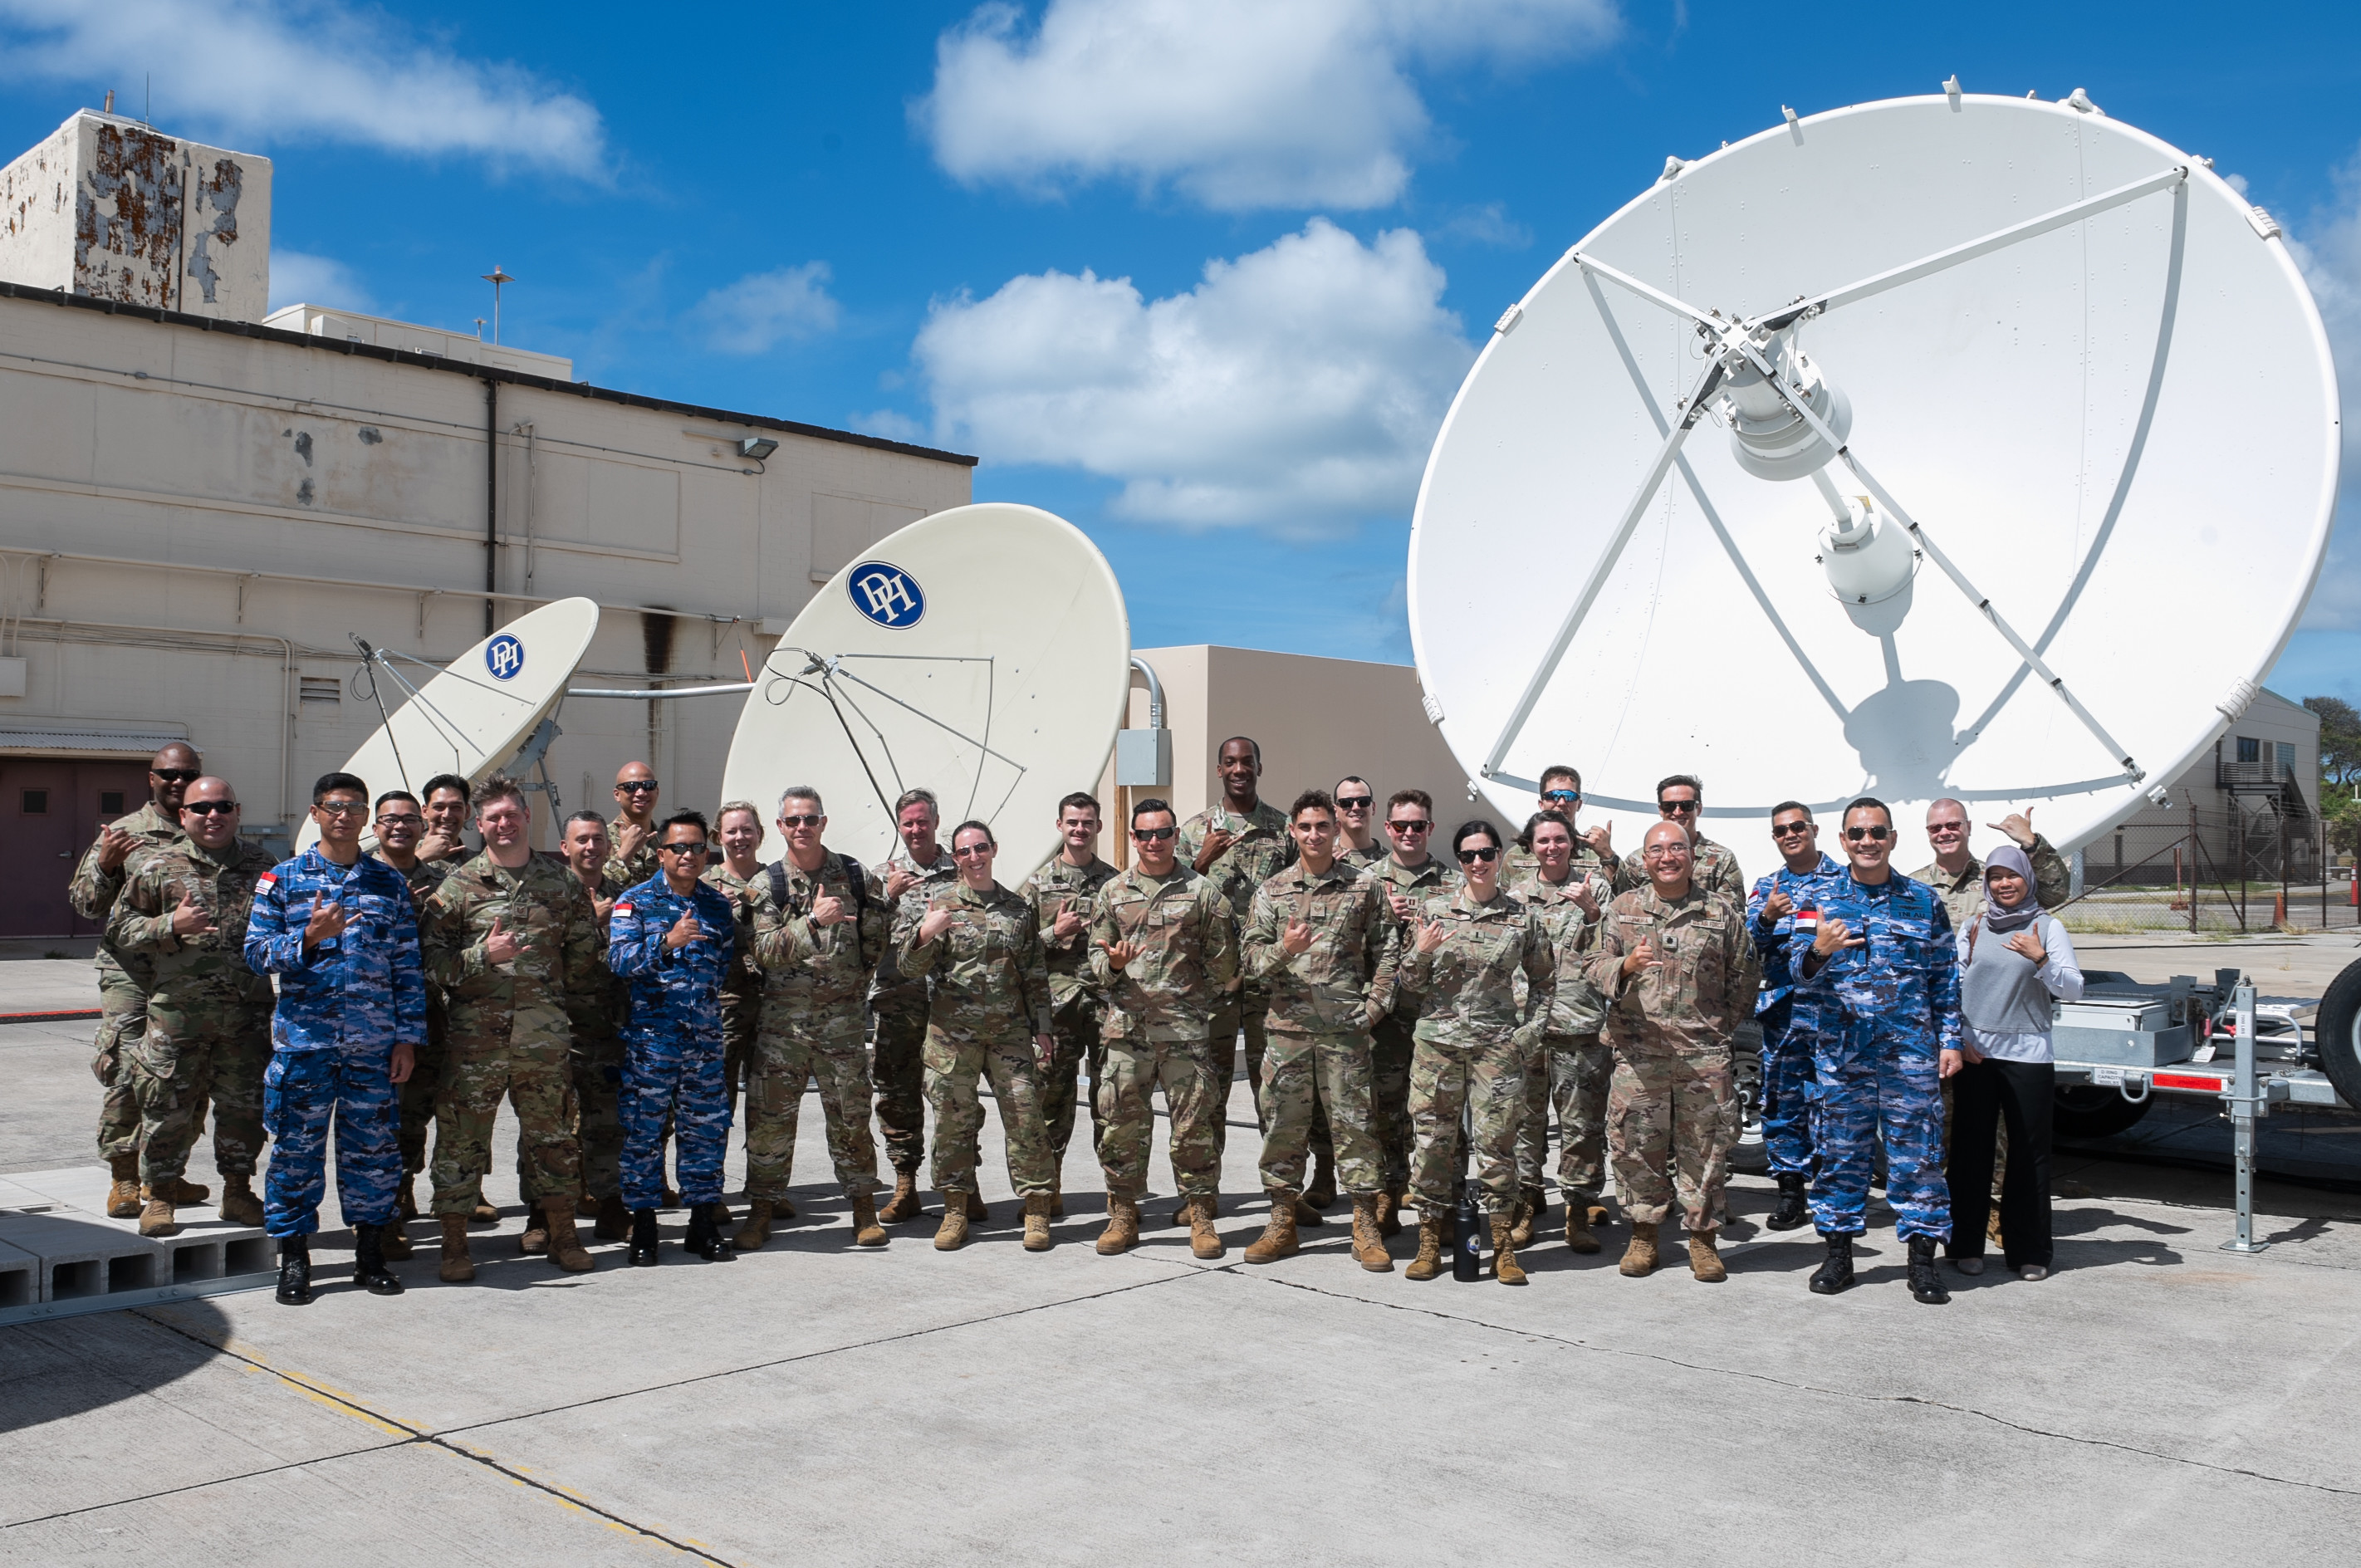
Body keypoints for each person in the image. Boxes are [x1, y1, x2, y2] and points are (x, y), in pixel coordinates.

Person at [242, 772, 423, 1305]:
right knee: (296, 1152)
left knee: (374, 1153)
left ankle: (370, 1257)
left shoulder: (388, 884)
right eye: (334, 806)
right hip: (306, 1043)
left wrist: (407, 1039)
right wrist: (310, 936)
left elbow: (406, 968)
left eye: (355, 807)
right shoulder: (282, 879)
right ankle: (295, 1260)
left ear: (366, 817)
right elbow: (255, 954)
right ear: (316, 813)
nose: (345, 816)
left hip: (373, 1046)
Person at [419, 775, 603, 1281]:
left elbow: (585, 957)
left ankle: (564, 1235)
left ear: (526, 817)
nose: (504, 824)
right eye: (493, 818)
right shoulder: (458, 886)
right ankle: (454, 1244)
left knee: (554, 1139)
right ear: (480, 825)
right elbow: (429, 962)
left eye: (512, 815)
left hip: (541, 1042)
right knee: (461, 1140)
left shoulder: (561, 883)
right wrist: (482, 957)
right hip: (475, 1042)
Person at [1788, 796, 1958, 1305]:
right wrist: (1820, 950)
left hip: (1910, 1055)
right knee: (1841, 1155)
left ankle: (1923, 1265)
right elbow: (1794, 972)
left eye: (1877, 833)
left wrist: (1950, 1040)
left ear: (1892, 838)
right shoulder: (1816, 899)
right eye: (1857, 834)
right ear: (1842, 840)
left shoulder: (1923, 901)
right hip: (1843, 1056)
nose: (1868, 842)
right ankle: (1839, 1257)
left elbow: (1945, 978)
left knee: (1919, 1159)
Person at [1586, 821, 1760, 1281]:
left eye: (1676, 848)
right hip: (1638, 1055)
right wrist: (1624, 965)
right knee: (1634, 1146)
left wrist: (1714, 1029)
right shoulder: (1623, 909)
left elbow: (1744, 977)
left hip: (1703, 1057)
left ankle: (1703, 1240)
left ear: (1690, 855)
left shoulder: (1719, 911)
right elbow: (1591, 964)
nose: (1667, 857)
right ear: (1643, 860)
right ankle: (1644, 1235)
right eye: (1657, 850)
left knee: (1706, 1149)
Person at [106, 777, 277, 1239]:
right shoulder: (157, 866)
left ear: (237, 811)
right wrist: (169, 924)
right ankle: (159, 1195)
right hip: (177, 1015)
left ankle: (238, 1191)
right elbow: (119, 932)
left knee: (244, 1108)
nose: (213, 815)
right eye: (201, 808)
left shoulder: (265, 866)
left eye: (223, 806)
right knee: (167, 1107)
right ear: (184, 815)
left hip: (246, 1015)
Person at [1239, 790, 1399, 1270]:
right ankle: (1282, 1222)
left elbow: (1388, 951)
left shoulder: (1364, 887)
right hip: (1287, 1032)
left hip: (1345, 1036)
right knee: (1283, 1131)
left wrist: (1372, 1010)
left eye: (1322, 826)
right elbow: (1250, 962)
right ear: (1293, 831)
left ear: (1335, 830)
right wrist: (1284, 949)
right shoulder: (1272, 891)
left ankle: (1365, 1226)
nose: (1314, 835)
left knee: (1356, 1129)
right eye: (1305, 827)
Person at [1399, 821, 1553, 1285]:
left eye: (1487, 853)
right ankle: (1429, 1244)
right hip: (1438, 1048)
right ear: (1459, 862)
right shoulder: (1434, 909)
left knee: (1498, 1147)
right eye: (1468, 856)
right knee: (1431, 1146)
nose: (1478, 863)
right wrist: (1421, 952)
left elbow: (1546, 982)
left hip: (1496, 1049)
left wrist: (1527, 1037)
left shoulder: (1522, 916)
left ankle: (1502, 1247)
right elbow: (1408, 984)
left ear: (1501, 856)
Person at [739, 786, 890, 1250]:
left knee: (850, 1116)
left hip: (842, 1024)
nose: (801, 828)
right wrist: (814, 924)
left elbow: (875, 941)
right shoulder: (767, 886)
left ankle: (864, 1207)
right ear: (780, 828)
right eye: (793, 821)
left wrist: (847, 989)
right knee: (769, 1121)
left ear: (823, 822)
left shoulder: (855, 876)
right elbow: (762, 952)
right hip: (783, 1028)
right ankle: (763, 1208)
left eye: (810, 819)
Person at [1087, 796, 1239, 1260]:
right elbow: (1094, 961)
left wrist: (1192, 1002)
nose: (1154, 842)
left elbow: (1224, 964)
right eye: (1145, 834)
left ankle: (1200, 1214)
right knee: (1120, 1126)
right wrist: (1113, 967)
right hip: (1127, 1033)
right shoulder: (1112, 893)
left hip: (1183, 1032)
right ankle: (1123, 1213)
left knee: (1193, 1127)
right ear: (1133, 838)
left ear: (1176, 836)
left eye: (1163, 833)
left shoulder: (1203, 892)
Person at [898, 821, 1058, 1252]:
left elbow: (1035, 974)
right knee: (953, 1123)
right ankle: (956, 1209)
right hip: (952, 1038)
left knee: (1026, 1119)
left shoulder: (1017, 908)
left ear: (994, 849)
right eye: (965, 851)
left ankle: (1037, 1209)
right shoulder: (941, 904)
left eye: (980, 848)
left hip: (1010, 1034)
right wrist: (924, 933)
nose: (974, 857)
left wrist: (1043, 1027)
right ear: (955, 857)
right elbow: (909, 968)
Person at [67, 742, 205, 1219]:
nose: (178, 781)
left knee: (187, 1076)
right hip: (133, 972)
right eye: (168, 774)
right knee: (128, 1072)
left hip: (190, 975)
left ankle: (166, 1174)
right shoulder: (125, 833)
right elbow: (85, 905)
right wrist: (105, 865)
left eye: (187, 773)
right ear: (151, 778)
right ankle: (124, 1177)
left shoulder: (208, 825)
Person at [608, 810, 742, 1266]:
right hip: (651, 1041)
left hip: (703, 1040)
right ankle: (644, 1226)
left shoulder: (717, 906)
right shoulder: (635, 901)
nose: (689, 855)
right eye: (679, 847)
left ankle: (701, 1224)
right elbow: (620, 962)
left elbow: (720, 970)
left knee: (704, 1131)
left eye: (698, 847)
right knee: (644, 1132)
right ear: (661, 852)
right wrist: (667, 942)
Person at [1943, 845, 2079, 1282]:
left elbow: (2073, 988)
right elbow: (1953, 986)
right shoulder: (1975, 925)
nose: (2005, 884)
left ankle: (2030, 1251)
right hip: (1977, 1054)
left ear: (2027, 878)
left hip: (2028, 1055)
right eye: (1997, 876)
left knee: (2028, 1156)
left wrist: (2040, 959)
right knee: (1969, 1155)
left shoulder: (2047, 926)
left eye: (2013, 876)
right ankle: (1965, 1246)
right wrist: (1959, 1037)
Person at [1178, 737, 1298, 1183]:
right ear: (1219, 770)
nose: (1239, 769)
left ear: (1259, 767)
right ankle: (1202, 1195)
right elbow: (1174, 901)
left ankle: (1284, 1192)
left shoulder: (1283, 829)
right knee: (1208, 1090)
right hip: (1214, 984)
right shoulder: (1194, 831)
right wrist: (1201, 862)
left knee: (1276, 1090)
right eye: (1230, 762)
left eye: (1247, 761)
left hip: (1269, 980)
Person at [1509, 809, 1616, 1252]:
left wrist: (1591, 913)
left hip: (1580, 1023)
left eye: (1559, 839)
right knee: (1523, 1123)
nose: (1551, 847)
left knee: (1581, 1126)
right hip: (1527, 1027)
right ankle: (1526, 1202)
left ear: (1572, 842)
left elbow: (1615, 947)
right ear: (1531, 846)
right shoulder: (1514, 894)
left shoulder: (1597, 888)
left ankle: (1578, 1210)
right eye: (1542, 840)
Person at [1745, 801, 1846, 1232]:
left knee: (1835, 1103)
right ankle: (1790, 1193)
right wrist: (1767, 917)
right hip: (1784, 1015)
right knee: (1782, 1103)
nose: (1790, 834)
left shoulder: (1847, 882)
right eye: (1782, 830)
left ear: (1814, 829)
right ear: (1775, 837)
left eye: (1798, 826)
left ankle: (1833, 1192)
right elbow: (1746, 947)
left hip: (1836, 1013)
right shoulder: (1769, 887)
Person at [1364, 787, 1459, 1232]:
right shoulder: (1363, 879)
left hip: (1434, 1016)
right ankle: (1386, 1189)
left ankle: (1437, 1194)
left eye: (1417, 825)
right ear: (1387, 828)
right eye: (1400, 826)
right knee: (1384, 1106)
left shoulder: (1453, 882)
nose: (1408, 833)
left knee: (1437, 1112)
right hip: (1383, 1016)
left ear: (1429, 829)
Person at [1021, 791, 1118, 1205]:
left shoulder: (1115, 882)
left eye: (1088, 822)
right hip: (1056, 1010)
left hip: (1103, 1006)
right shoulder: (1037, 884)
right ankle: (1049, 1186)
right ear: (1059, 826)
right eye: (1072, 822)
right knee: (1051, 1100)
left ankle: (1117, 1191)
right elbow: (1019, 952)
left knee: (1110, 1100)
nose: (1080, 829)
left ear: (1098, 827)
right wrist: (1053, 935)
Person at [872, 786, 960, 1224]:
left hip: (951, 1006)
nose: (915, 829)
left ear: (936, 822)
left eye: (922, 821)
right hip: (898, 1003)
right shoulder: (880, 877)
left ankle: (962, 1187)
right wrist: (885, 898)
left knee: (954, 1097)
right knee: (898, 1094)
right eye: (908, 822)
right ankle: (905, 1183)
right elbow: (863, 940)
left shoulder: (963, 870)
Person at [372, 791, 451, 1239]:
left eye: (408, 819)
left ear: (421, 825)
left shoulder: (441, 880)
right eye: (389, 819)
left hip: (426, 1016)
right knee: (375, 1117)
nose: (399, 826)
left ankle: (401, 1192)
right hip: (369, 1017)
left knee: (414, 1111)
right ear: (376, 826)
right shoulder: (358, 875)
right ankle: (378, 1211)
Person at [558, 809, 632, 1240]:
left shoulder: (626, 896)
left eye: (598, 839)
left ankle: (610, 1206)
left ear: (608, 845)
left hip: (607, 1031)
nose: (590, 847)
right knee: (552, 1130)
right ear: (565, 847)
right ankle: (545, 1216)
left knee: (606, 1125)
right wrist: (590, 924)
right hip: (558, 1031)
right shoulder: (549, 894)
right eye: (581, 840)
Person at [1617, 775, 1745, 899]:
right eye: (1669, 806)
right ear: (1661, 809)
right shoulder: (1638, 860)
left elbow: (1734, 914)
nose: (1677, 812)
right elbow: (1622, 905)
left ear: (1699, 809)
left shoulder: (1722, 859)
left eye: (1686, 805)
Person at [1506, 766, 1618, 881]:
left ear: (1579, 804)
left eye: (1570, 796)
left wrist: (1608, 855)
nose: (1562, 802)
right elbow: (1502, 897)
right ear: (1541, 803)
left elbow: (1621, 895)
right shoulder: (1516, 856)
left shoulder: (1597, 853)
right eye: (1553, 796)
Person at [603, 762, 662, 888]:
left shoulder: (668, 841)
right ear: (617, 795)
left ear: (657, 791)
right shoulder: (600, 841)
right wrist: (625, 853)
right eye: (631, 786)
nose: (641, 793)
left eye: (648, 786)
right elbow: (594, 890)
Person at [416, 774, 473, 865]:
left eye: (456, 807)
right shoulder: (400, 854)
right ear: (425, 811)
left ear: (467, 812)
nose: (446, 815)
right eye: (438, 807)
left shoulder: (479, 864)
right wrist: (421, 857)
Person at [1333, 777, 1386, 870]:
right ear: (1335, 811)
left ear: (1373, 808)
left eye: (1363, 801)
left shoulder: (1392, 862)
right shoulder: (1323, 862)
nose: (1356, 807)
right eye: (1346, 802)